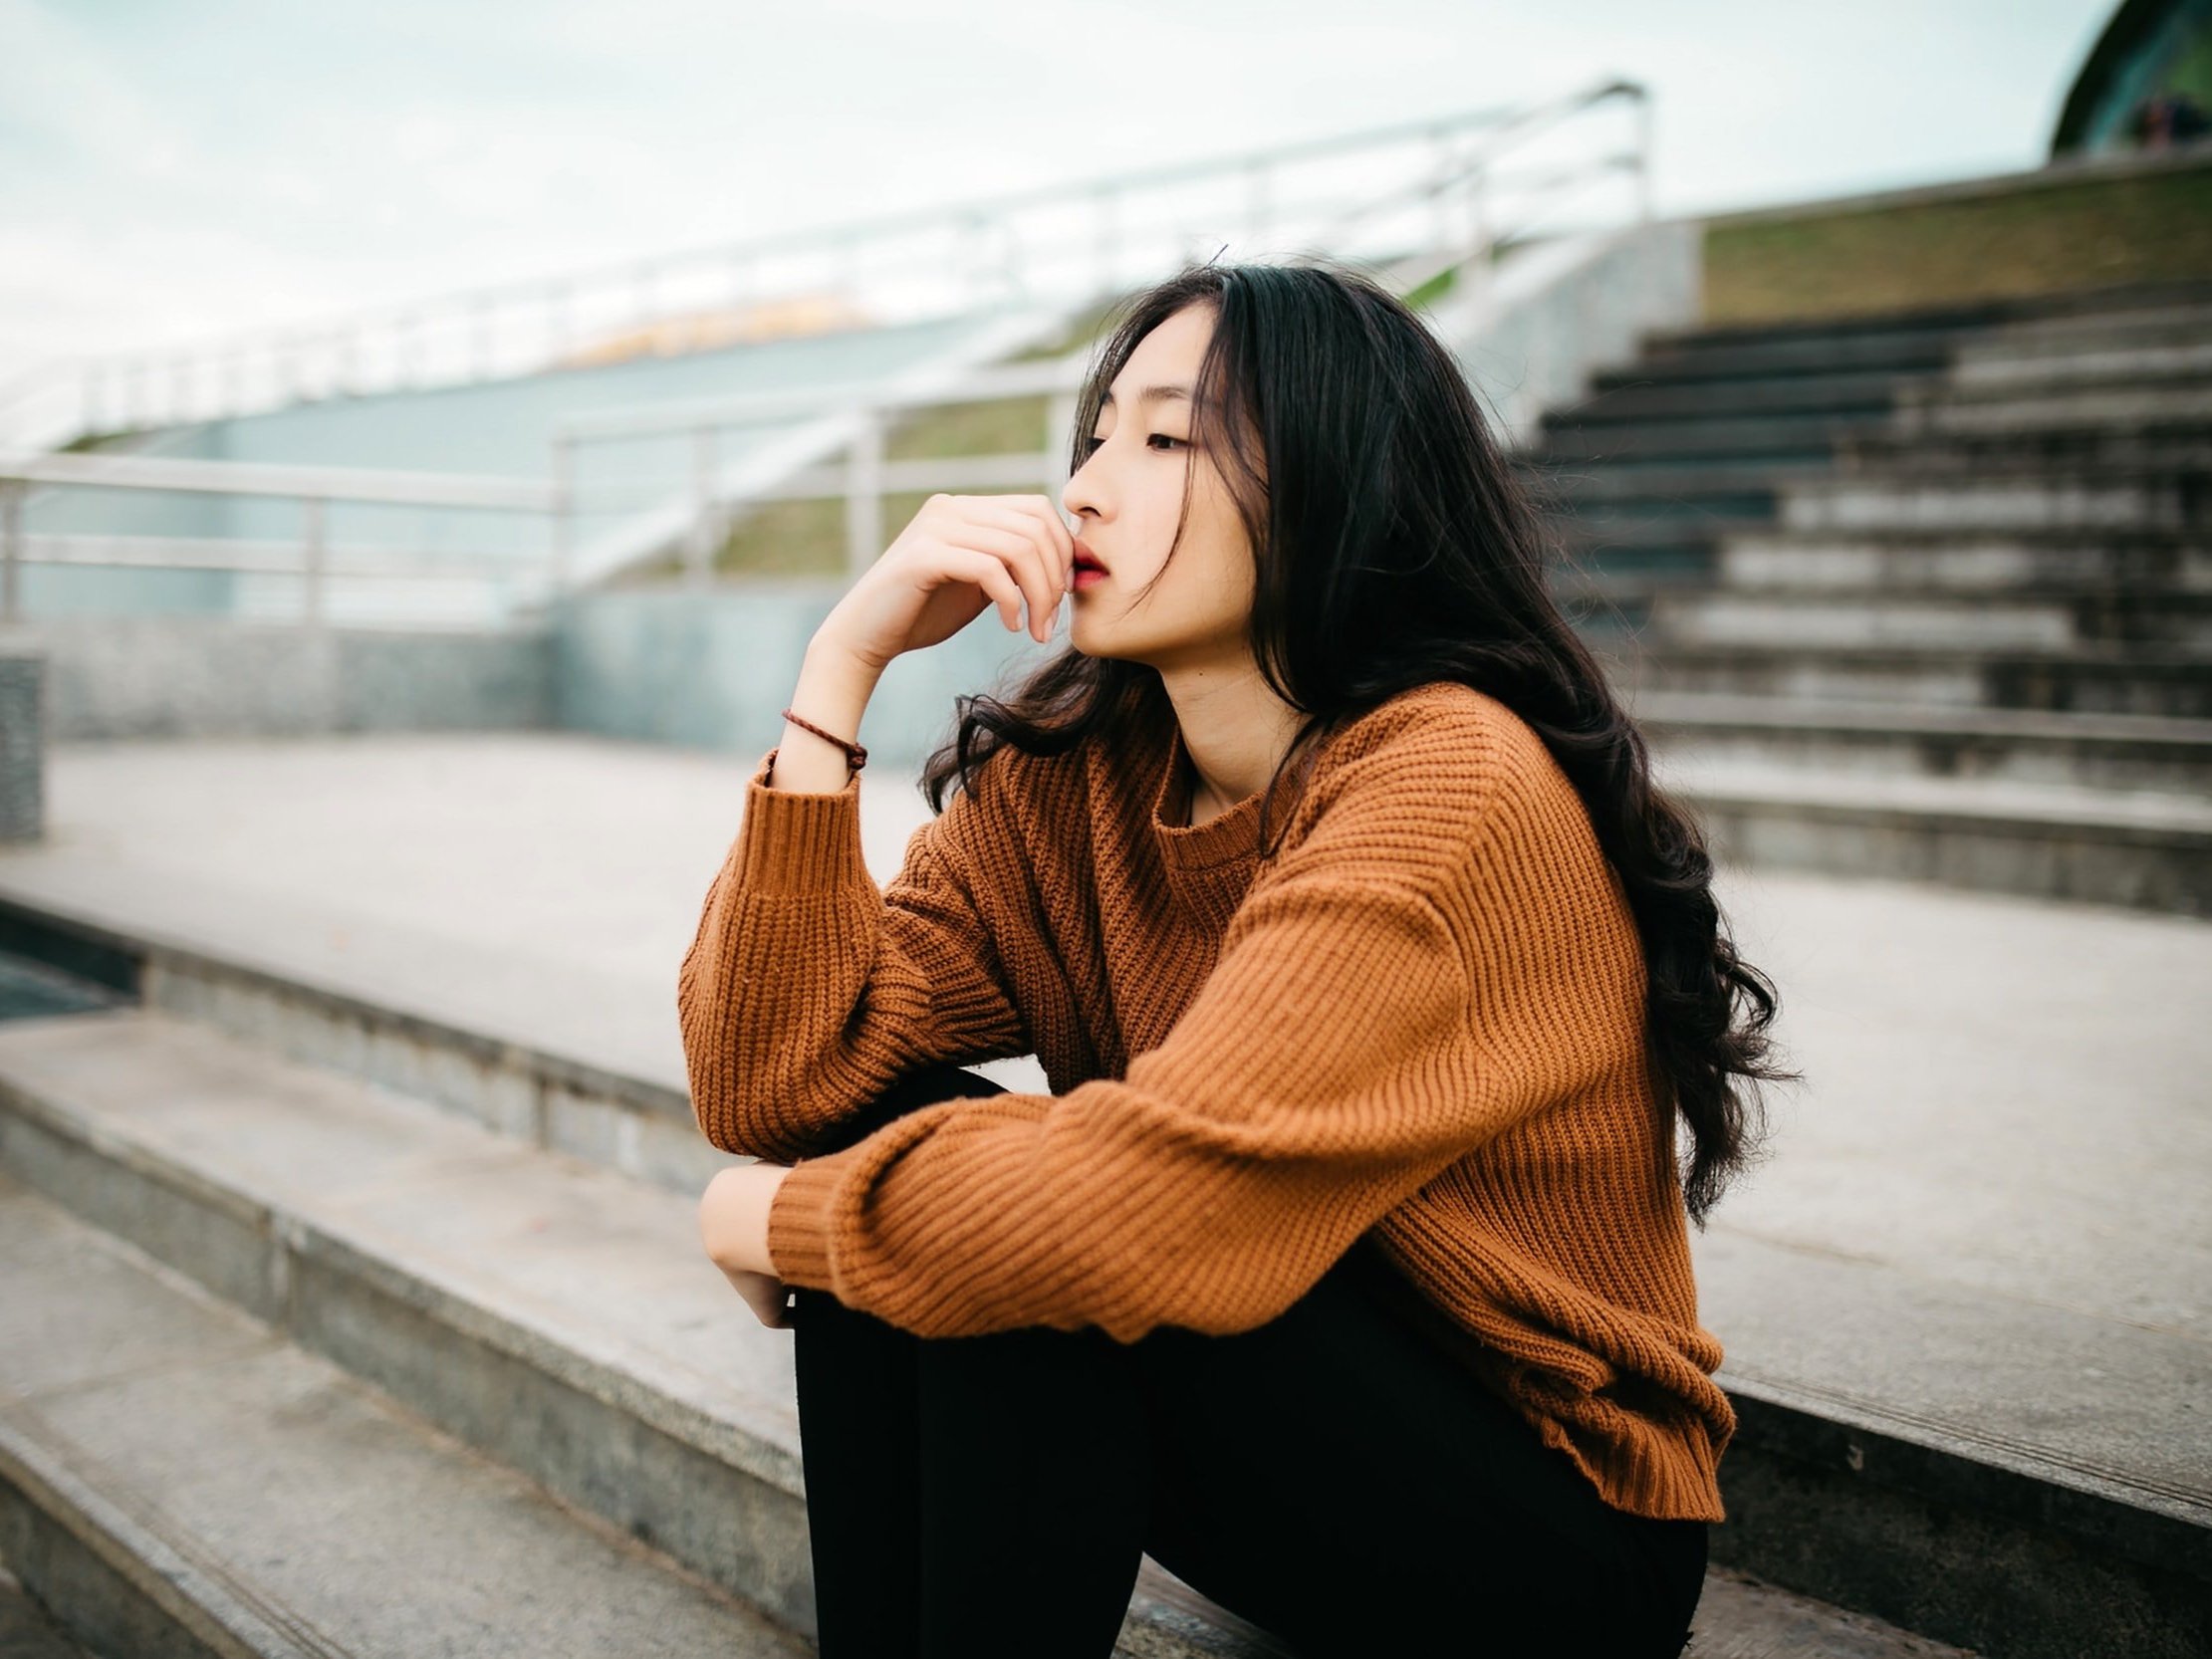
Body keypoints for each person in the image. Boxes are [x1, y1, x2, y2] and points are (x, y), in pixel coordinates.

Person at [682, 258, 1796, 1657]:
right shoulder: (1076, 774)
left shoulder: (1447, 780)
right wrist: (835, 671)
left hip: (1544, 1520)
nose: (1084, 486)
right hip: (1274, 1418)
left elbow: (1156, 1202)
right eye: (1094, 435)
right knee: (924, 1158)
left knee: (1027, 1229)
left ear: (1335, 486)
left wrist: (778, 1222)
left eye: (1163, 440)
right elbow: (774, 1078)